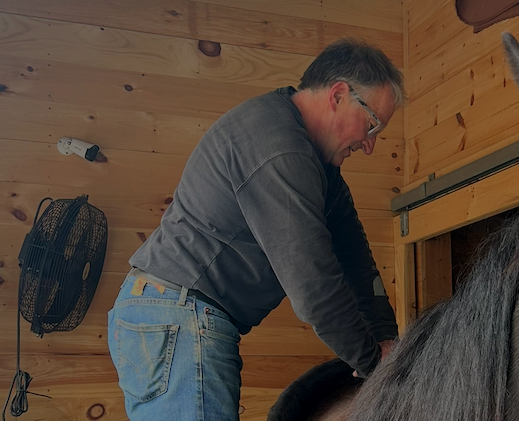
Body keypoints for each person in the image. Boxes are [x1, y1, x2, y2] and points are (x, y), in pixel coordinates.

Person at [107, 38, 403, 421]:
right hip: (178, 315)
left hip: (174, 314)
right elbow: (313, 284)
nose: (370, 145)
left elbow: (354, 257)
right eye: (372, 124)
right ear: (339, 95)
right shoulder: (279, 147)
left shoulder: (318, 167)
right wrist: (371, 363)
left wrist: (388, 342)